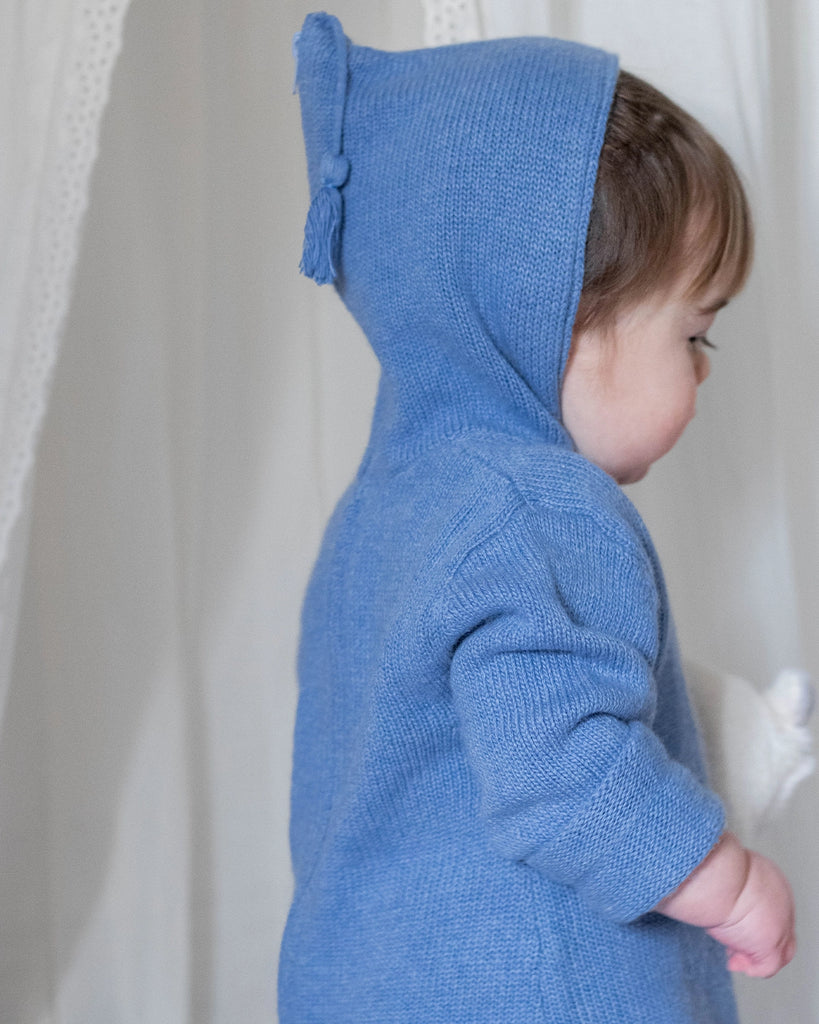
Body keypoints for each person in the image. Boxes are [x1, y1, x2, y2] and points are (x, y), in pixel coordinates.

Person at [279, 12, 795, 1023]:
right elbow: (566, 774)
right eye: (694, 335)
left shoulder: (384, 512)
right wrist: (730, 884)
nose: (699, 372)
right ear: (558, 317)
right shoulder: (539, 503)